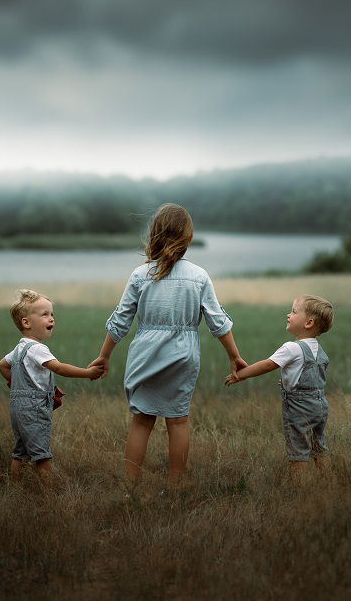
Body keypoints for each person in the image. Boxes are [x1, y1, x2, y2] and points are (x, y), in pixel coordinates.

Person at [89, 203, 245, 490]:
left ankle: (130, 488)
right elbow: (218, 321)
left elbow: (120, 321)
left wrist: (103, 355)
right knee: (178, 420)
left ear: (154, 235)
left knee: (142, 420)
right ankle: (176, 487)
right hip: (183, 354)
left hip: (145, 352)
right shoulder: (198, 276)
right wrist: (234, 356)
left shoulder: (140, 275)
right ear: (188, 238)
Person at [0, 289, 105, 484]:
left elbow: (2, 365)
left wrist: (18, 387)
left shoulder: (20, 347)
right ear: (26, 323)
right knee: (41, 455)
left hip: (17, 408)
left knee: (19, 453)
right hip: (34, 409)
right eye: (44, 314)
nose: (51, 319)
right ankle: (52, 493)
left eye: (52, 314)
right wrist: (87, 373)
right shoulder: (38, 349)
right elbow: (59, 368)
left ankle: (14, 488)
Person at [225, 294, 333, 480]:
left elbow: (268, 364)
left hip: (300, 409)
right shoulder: (319, 350)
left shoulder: (292, 347)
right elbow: (308, 377)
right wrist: (288, 382)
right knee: (318, 446)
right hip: (320, 405)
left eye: (293, 311)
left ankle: (300, 490)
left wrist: (240, 375)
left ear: (308, 323)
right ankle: (328, 481)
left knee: (298, 450)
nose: (288, 315)